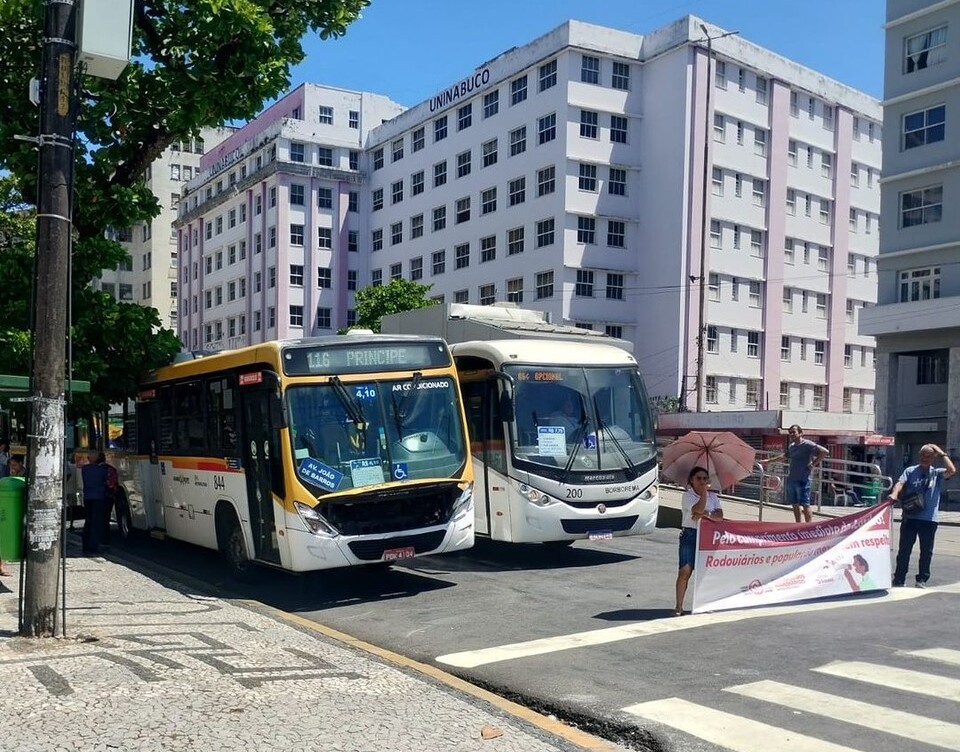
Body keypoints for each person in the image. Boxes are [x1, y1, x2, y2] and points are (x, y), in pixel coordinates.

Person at [888, 443, 955, 588]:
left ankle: (922, 579)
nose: (925, 458)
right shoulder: (911, 470)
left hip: (929, 519)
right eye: (923, 455)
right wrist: (894, 494)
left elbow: (952, 470)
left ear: (933, 458)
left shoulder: (936, 473)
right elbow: (900, 483)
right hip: (910, 517)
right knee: (904, 550)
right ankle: (899, 579)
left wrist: (941, 452)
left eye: (929, 456)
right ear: (919, 456)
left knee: (926, 552)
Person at [674, 465, 723, 616]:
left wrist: (705, 514)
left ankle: (704, 603)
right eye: (698, 478)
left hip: (707, 535)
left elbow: (719, 515)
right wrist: (703, 497)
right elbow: (697, 509)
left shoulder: (713, 497)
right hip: (690, 534)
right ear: (692, 480)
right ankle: (679, 606)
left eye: (705, 478)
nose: (702, 481)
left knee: (705, 572)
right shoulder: (688, 496)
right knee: (685, 571)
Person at [762, 425, 827, 523]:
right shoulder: (792, 446)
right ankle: (798, 524)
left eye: (794, 432)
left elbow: (824, 452)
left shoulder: (808, 444)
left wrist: (813, 464)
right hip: (792, 477)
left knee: (805, 503)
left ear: (800, 433)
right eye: (790, 432)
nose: (792, 434)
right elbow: (784, 456)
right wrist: (769, 461)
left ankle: (808, 526)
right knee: (794, 503)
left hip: (803, 478)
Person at [80, 451, 110, 555]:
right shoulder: (102, 470)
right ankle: (93, 547)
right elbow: (106, 479)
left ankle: (86, 546)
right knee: (96, 523)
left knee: (88, 522)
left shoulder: (85, 469)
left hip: (88, 498)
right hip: (98, 498)